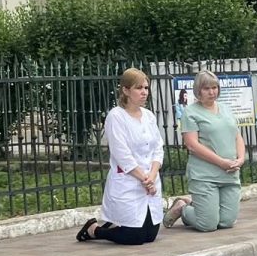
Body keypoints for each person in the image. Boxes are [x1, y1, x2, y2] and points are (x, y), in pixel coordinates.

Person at [79, 68, 163, 245]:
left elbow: (158, 148)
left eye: (146, 88)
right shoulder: (116, 116)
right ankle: (94, 230)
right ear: (125, 90)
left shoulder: (149, 116)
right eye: (138, 88)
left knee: (150, 236)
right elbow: (122, 155)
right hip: (130, 181)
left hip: (150, 181)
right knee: (135, 237)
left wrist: (152, 175)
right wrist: (144, 179)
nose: (144, 92)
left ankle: (116, 227)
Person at [167, 68, 245, 232]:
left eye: (214, 87)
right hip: (205, 175)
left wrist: (241, 158)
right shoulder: (191, 112)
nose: (211, 92)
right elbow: (192, 145)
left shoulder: (226, 109)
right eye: (206, 88)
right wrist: (221, 162)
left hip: (230, 174)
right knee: (208, 225)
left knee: (226, 222)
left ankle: (198, 208)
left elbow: (237, 136)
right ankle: (183, 208)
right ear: (198, 91)